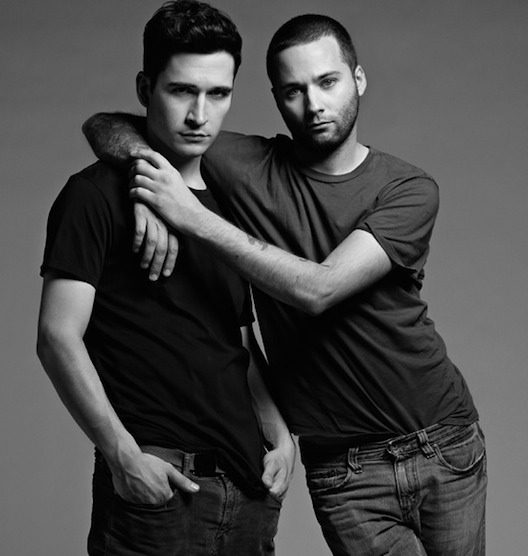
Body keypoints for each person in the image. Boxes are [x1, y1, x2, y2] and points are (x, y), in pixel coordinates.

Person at [83, 13, 487, 556]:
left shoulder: (409, 189)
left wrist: (188, 216)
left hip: (443, 441)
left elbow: (320, 290)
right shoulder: (245, 164)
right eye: (294, 90)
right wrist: (150, 181)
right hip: (344, 469)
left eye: (328, 82)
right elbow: (107, 123)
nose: (314, 104)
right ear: (276, 98)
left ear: (358, 79)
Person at [37, 2, 295, 555]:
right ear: (144, 88)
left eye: (218, 94)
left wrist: (280, 436)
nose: (200, 114)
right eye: (182, 91)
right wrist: (123, 457)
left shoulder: (231, 202)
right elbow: (57, 336)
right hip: (160, 489)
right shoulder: (92, 195)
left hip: (248, 490)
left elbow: (237, 339)